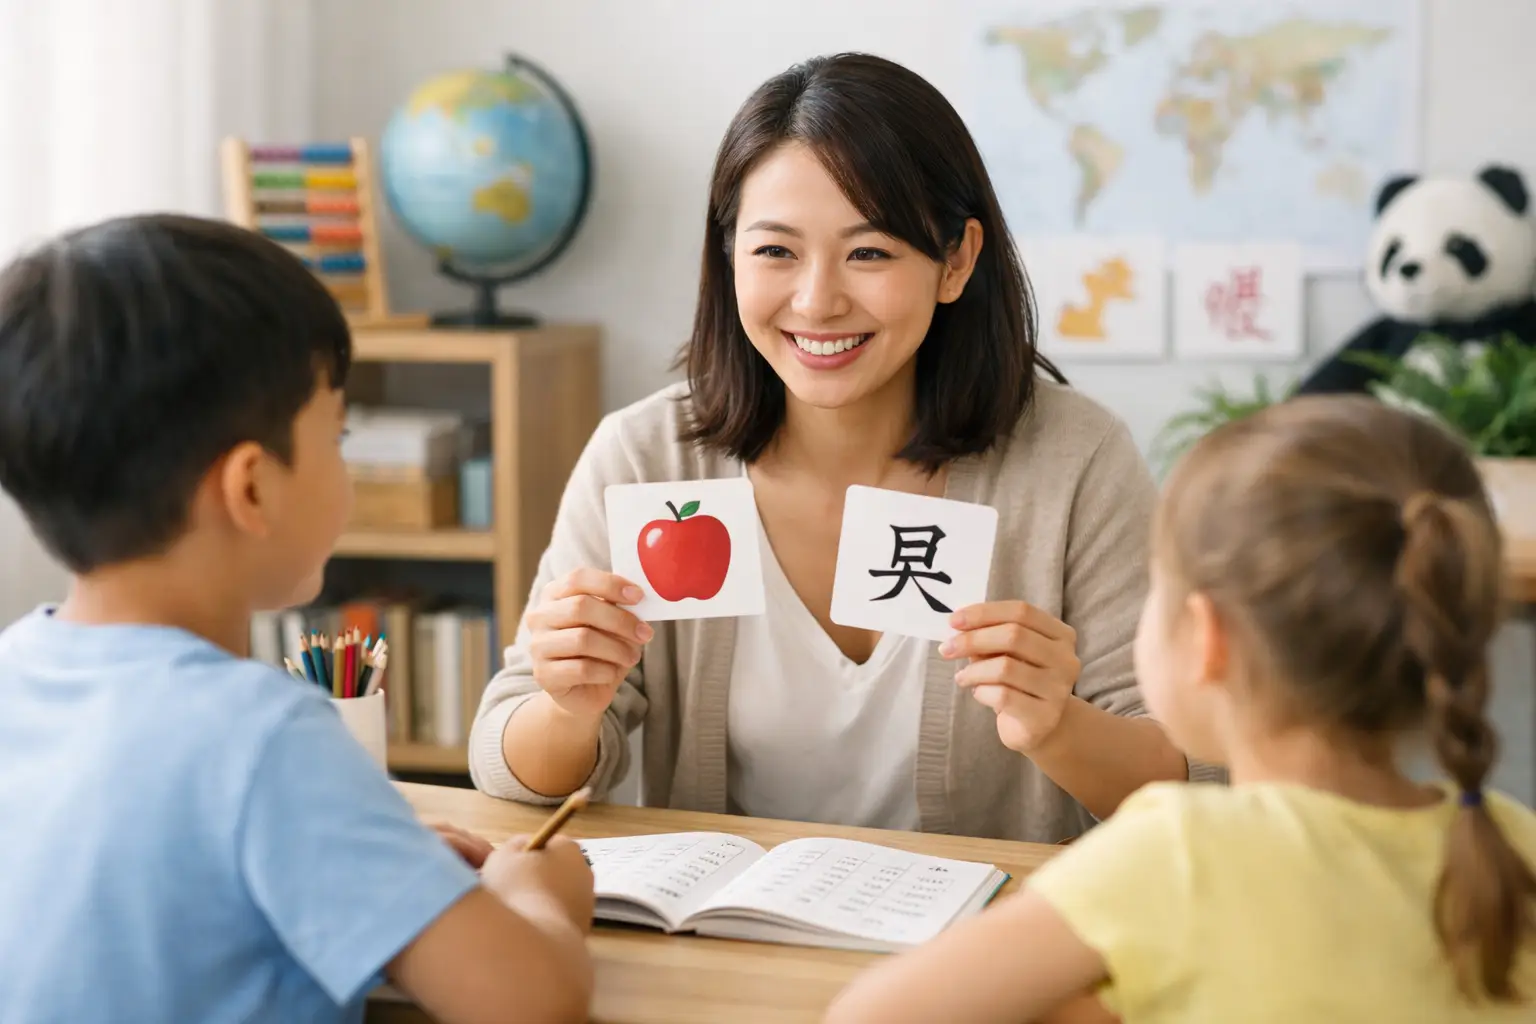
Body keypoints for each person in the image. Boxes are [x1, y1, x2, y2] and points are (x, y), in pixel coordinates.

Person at [470, 52, 1212, 843]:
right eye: (774, 251)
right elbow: (506, 766)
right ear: (728, 259)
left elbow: (1194, 774)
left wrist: (1055, 726)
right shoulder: (646, 457)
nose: (817, 301)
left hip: (984, 949)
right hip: (724, 945)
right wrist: (567, 707)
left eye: (870, 252)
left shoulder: (1075, 461)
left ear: (956, 260)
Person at [0, 214, 595, 1024]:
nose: (345, 460)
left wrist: (386, 864)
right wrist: (539, 896)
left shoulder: (16, 674)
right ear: (250, 488)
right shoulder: (268, 738)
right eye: (337, 433)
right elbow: (531, 1003)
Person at [824, 396, 1536, 1024]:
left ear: (1209, 640)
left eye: (1152, 590)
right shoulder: (1510, 841)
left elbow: (868, 1016)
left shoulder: (1176, 852)